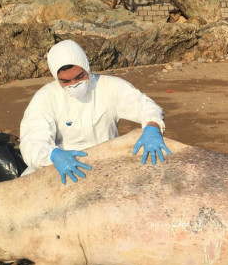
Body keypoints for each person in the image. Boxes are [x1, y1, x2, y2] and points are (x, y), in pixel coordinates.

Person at [20, 39, 171, 184]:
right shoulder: (46, 97)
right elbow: (32, 141)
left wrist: (152, 127)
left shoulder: (109, 86)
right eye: (65, 81)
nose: (74, 84)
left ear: (87, 67)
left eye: (80, 76)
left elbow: (145, 106)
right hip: (61, 166)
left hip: (107, 162)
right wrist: (52, 155)